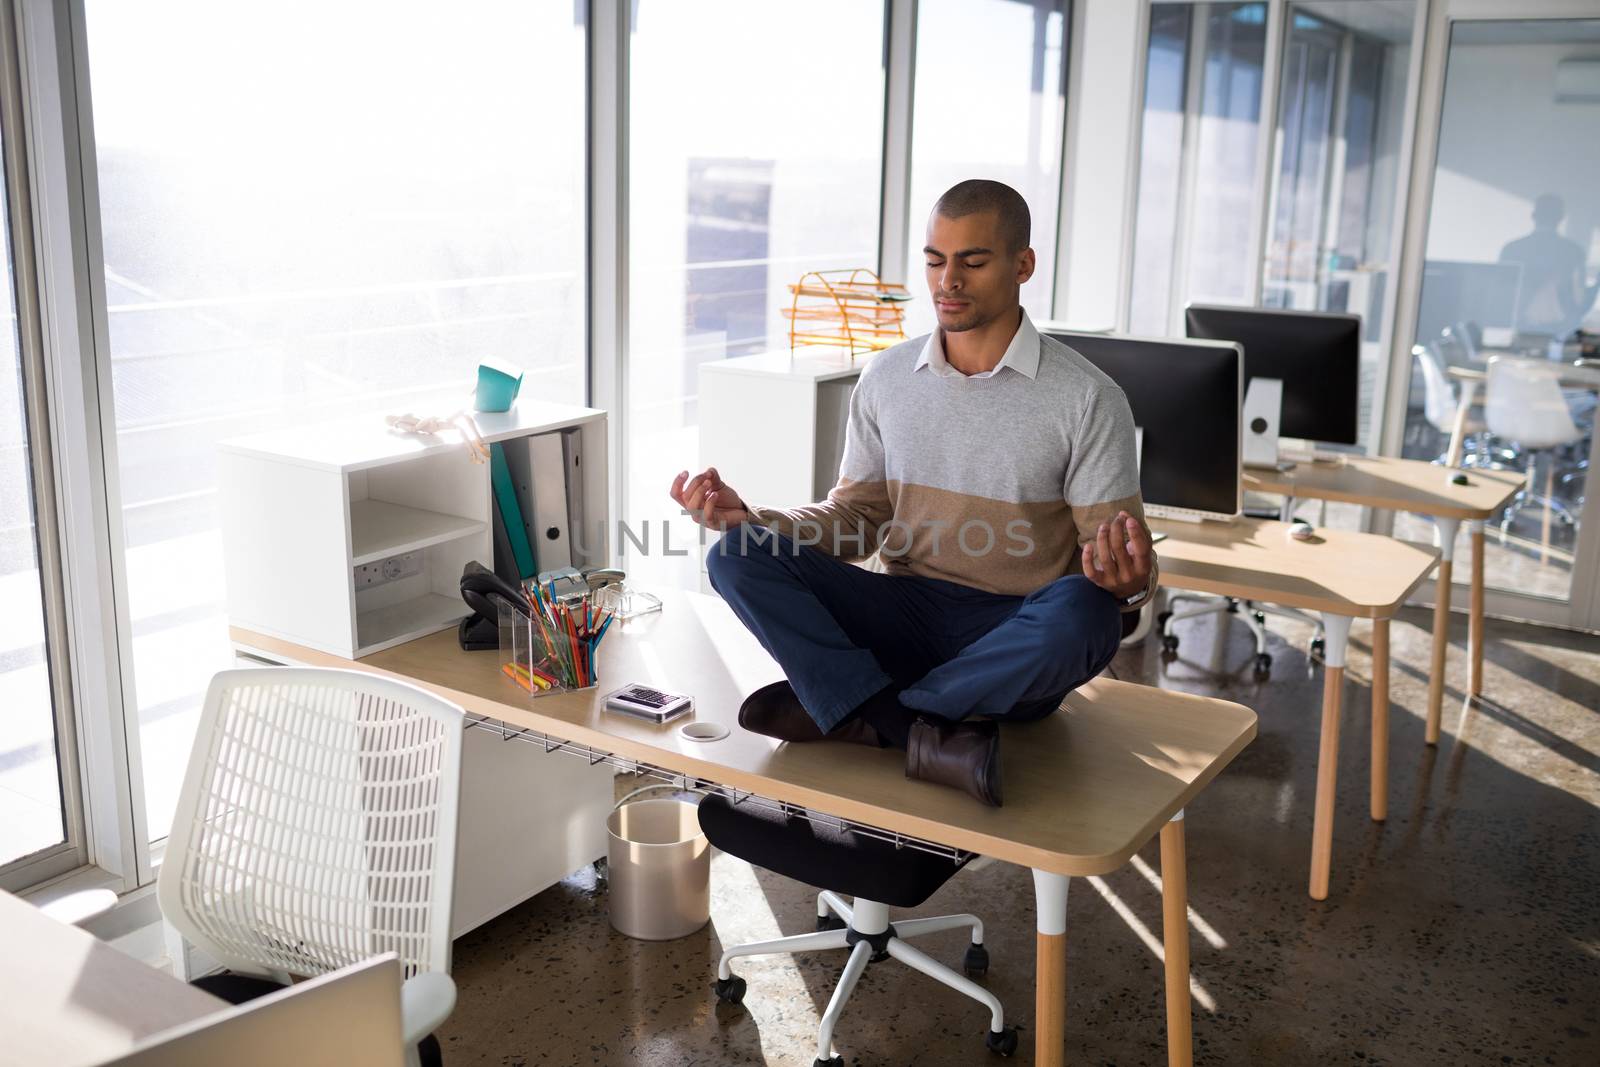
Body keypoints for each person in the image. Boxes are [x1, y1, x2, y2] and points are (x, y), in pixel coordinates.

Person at [669, 179, 1157, 806]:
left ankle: (853, 706)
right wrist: (754, 519)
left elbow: (1116, 564)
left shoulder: (1087, 399)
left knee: (1087, 614)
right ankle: (913, 725)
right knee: (735, 556)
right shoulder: (888, 377)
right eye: (934, 260)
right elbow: (858, 519)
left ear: (1023, 264)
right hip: (902, 608)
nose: (947, 280)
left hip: (1010, 629)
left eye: (973, 261)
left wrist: (1129, 584)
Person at [1499, 193, 1599, 346]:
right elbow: (1580, 300)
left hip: (1521, 329)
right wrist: (1596, 284)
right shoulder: (1574, 252)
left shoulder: (1512, 250)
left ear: (1534, 216)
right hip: (1560, 333)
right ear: (1560, 217)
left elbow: (1502, 296)